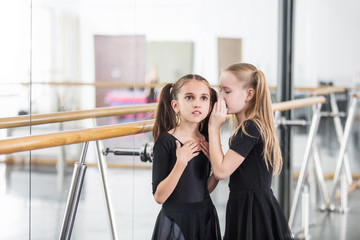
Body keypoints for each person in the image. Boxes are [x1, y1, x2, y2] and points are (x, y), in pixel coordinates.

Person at [202, 63, 293, 240]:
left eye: (227, 91)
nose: (220, 97)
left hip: (253, 210)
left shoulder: (251, 128)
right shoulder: (249, 126)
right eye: (220, 90)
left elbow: (221, 171)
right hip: (248, 206)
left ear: (249, 94)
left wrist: (213, 127)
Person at [151, 74, 221, 240]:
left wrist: (216, 173)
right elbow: (159, 197)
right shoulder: (166, 141)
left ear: (210, 106)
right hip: (175, 220)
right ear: (175, 105)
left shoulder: (207, 139)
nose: (197, 103)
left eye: (203, 98)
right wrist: (180, 162)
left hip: (205, 216)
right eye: (189, 97)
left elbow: (203, 190)